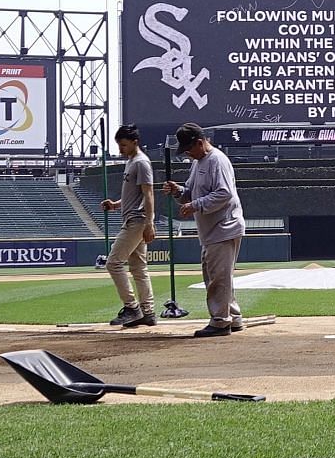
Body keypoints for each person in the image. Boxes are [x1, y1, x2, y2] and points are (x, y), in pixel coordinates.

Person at [162, 122, 245, 337]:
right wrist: (178, 191)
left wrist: (195, 205)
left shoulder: (217, 160)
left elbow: (224, 193)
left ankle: (220, 321)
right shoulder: (198, 162)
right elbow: (191, 191)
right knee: (219, 275)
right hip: (211, 230)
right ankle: (233, 317)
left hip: (224, 226)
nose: (187, 154)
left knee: (218, 277)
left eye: (189, 149)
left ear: (200, 142)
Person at [99, 124, 157, 327]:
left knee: (113, 263)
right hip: (133, 218)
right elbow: (135, 195)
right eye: (119, 145)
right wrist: (115, 205)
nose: (120, 149)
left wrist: (150, 223)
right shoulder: (132, 162)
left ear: (135, 142)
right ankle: (147, 312)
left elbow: (149, 194)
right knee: (139, 268)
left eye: (123, 145)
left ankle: (132, 308)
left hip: (137, 221)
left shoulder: (141, 163)